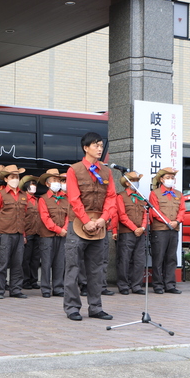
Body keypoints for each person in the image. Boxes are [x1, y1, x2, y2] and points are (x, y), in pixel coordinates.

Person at [63, 132, 117, 321]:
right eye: (96, 145)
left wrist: (104, 218)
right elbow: (73, 198)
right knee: (73, 267)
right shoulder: (74, 170)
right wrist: (86, 220)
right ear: (85, 148)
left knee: (97, 269)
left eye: (101, 146)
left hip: (100, 225)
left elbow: (111, 197)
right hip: (78, 224)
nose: (100, 149)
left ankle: (95, 307)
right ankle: (72, 308)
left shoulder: (106, 171)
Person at [0, 164, 28, 299]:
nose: (15, 179)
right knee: (2, 262)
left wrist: (23, 234)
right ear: (6, 179)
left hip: (19, 233)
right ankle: (0, 290)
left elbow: (24, 214)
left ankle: (16, 289)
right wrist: (2, 226)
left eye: (17, 177)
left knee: (18, 263)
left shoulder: (24, 195)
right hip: (5, 233)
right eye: (12, 177)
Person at [148, 167, 186, 295]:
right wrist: (166, 221)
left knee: (171, 258)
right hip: (160, 229)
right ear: (161, 179)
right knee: (158, 257)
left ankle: (170, 284)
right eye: (168, 178)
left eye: (172, 178)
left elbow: (182, 210)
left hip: (174, 229)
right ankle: (158, 285)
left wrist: (177, 221)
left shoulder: (179, 194)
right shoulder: (155, 193)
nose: (170, 180)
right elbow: (154, 211)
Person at [114, 171, 148, 295]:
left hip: (141, 232)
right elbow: (122, 215)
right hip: (127, 232)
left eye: (136, 180)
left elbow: (146, 214)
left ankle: (137, 285)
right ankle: (123, 285)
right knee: (124, 259)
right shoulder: (121, 196)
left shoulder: (141, 196)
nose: (135, 183)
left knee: (139, 259)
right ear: (127, 183)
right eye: (133, 180)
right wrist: (134, 228)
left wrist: (143, 227)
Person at [37, 169, 68, 298]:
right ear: (48, 184)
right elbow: (45, 218)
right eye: (54, 180)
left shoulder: (66, 198)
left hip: (62, 234)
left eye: (58, 180)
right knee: (46, 262)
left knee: (60, 262)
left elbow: (68, 215)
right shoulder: (43, 199)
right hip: (47, 235)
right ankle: (45, 288)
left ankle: (58, 287)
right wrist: (58, 230)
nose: (57, 183)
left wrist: (64, 229)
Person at [21, 175, 42, 290]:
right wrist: (23, 234)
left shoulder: (37, 200)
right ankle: (25, 280)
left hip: (37, 232)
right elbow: (21, 218)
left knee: (35, 259)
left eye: (34, 185)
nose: (33, 187)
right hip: (27, 233)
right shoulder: (23, 199)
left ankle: (34, 280)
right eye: (31, 185)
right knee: (26, 258)